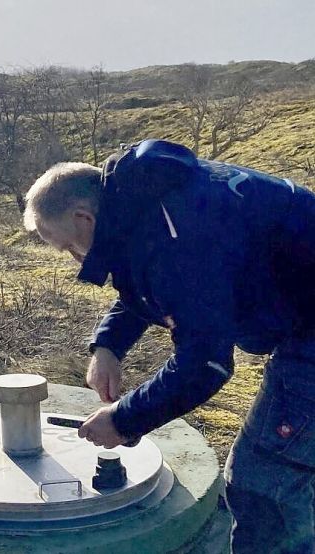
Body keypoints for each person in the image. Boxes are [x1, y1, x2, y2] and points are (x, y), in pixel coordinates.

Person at [23, 139, 315, 553]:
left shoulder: (178, 235)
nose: (73, 258)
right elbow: (142, 279)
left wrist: (124, 420)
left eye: (68, 246)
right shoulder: (145, 199)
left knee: (264, 483)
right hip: (304, 318)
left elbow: (206, 364)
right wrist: (108, 345)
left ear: (83, 218)